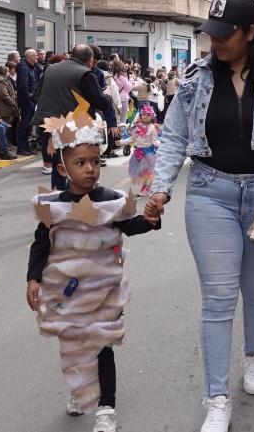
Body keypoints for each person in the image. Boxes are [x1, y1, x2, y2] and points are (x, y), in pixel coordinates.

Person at [142, 0, 254, 432]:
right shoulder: (194, 78)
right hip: (208, 194)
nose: (215, 41)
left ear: (250, 33)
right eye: (211, 33)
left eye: (224, 34)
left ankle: (253, 357)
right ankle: (217, 397)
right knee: (217, 299)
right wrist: (160, 189)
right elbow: (173, 137)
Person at [26, 112, 159, 432]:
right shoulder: (53, 207)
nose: (90, 168)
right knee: (74, 344)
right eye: (81, 163)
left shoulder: (112, 201)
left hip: (104, 290)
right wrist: (33, 278)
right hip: (67, 293)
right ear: (63, 169)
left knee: (101, 345)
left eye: (95, 162)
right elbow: (41, 244)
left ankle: (106, 407)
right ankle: (80, 391)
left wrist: (150, 219)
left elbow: (131, 225)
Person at [34, 45, 116, 190]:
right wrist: (108, 95)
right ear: (90, 60)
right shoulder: (85, 73)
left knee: (59, 162)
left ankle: (59, 194)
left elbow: (35, 96)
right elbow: (101, 102)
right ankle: (75, 195)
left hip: (46, 121)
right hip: (71, 124)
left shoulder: (50, 69)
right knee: (76, 161)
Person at [123, 104, 161, 197]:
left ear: (152, 117)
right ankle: (143, 188)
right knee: (136, 172)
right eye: (144, 114)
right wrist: (122, 142)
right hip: (137, 153)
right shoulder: (137, 127)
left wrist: (160, 145)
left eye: (148, 114)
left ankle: (146, 189)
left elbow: (155, 140)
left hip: (148, 154)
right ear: (140, 115)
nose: (146, 116)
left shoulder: (152, 127)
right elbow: (132, 139)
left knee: (146, 172)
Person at [15, 49, 40, 155]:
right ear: (30, 56)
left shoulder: (32, 67)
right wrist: (29, 101)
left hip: (32, 100)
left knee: (29, 125)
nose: (37, 57)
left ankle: (26, 146)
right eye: (35, 55)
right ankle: (21, 147)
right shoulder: (24, 68)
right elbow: (22, 86)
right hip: (27, 102)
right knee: (25, 124)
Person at [0, 65, 20, 146]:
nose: (8, 73)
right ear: (5, 72)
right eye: (7, 71)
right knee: (3, 129)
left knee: (6, 129)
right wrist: (12, 102)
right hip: (4, 109)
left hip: (7, 108)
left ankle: (2, 145)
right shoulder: (0, 82)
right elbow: (4, 95)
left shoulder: (4, 81)